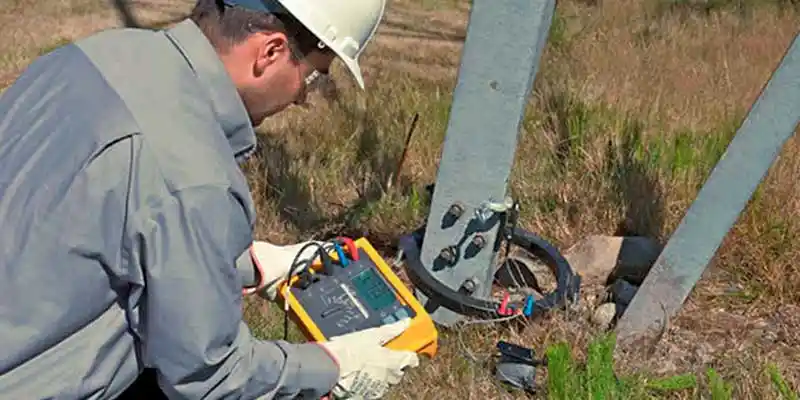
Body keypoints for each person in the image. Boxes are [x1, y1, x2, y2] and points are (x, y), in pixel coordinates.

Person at [0, 0, 421, 398]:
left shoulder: (93, 56)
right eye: (314, 76)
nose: (303, 97)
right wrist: (332, 367)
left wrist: (245, 264)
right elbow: (210, 375)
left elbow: (95, 223)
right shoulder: (194, 176)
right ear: (270, 52)